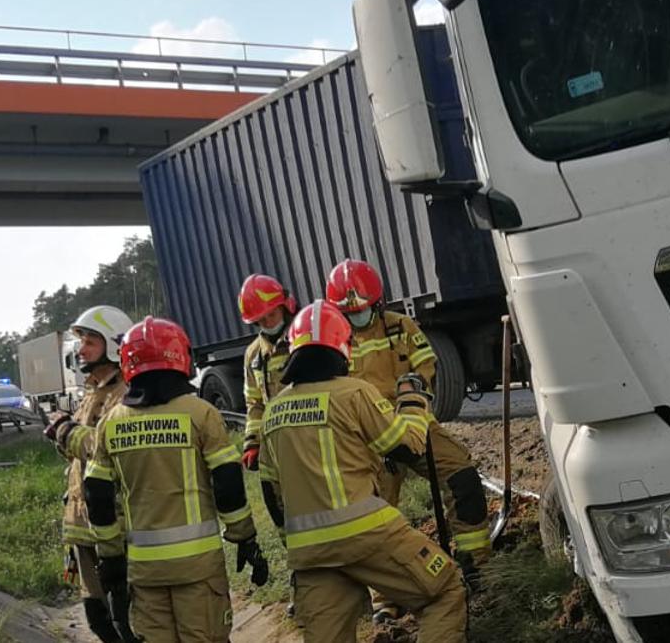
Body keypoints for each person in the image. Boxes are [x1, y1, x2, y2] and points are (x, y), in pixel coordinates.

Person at [262, 301, 465, 643]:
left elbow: (271, 493)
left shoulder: (273, 411)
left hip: (310, 554)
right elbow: (406, 447)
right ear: (343, 347)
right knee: (444, 590)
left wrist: (294, 543)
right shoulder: (354, 393)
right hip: (367, 537)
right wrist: (412, 401)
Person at [83, 316, 266, 643]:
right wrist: (244, 537)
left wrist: (110, 556)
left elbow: (97, 496)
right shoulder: (201, 413)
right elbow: (227, 484)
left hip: (144, 571)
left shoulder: (111, 423)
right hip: (198, 567)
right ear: (181, 356)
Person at [324, 260, 489, 586]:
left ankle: (477, 567)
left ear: (379, 303)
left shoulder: (401, 327)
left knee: (463, 477)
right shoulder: (334, 342)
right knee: (372, 515)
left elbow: (426, 368)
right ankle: (386, 596)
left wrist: (411, 400)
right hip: (369, 441)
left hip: (414, 426)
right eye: (349, 314)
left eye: (363, 311)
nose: (357, 318)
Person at [44, 304, 139, 643]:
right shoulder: (93, 390)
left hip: (112, 523)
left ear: (112, 345)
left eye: (90, 341)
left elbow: (107, 446)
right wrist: (61, 434)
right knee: (98, 618)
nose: (80, 349)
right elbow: (79, 452)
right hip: (83, 523)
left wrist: (66, 430)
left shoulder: (126, 392)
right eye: (81, 341)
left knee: (125, 619)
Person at [236, 273, 297, 514]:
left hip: (310, 435)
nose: (269, 323)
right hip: (275, 444)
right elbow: (255, 403)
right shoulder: (253, 355)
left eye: (272, 314)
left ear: (285, 307)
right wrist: (252, 442)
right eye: (261, 320)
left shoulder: (301, 337)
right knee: (280, 507)